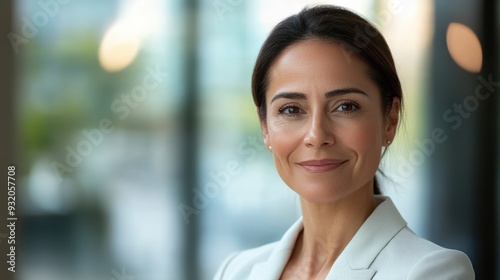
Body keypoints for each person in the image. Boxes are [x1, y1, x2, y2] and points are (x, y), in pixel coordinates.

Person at [213, 5, 475, 280]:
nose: (316, 135)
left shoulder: (433, 272)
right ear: (265, 127)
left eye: (345, 106)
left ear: (390, 120)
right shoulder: (235, 271)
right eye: (291, 109)